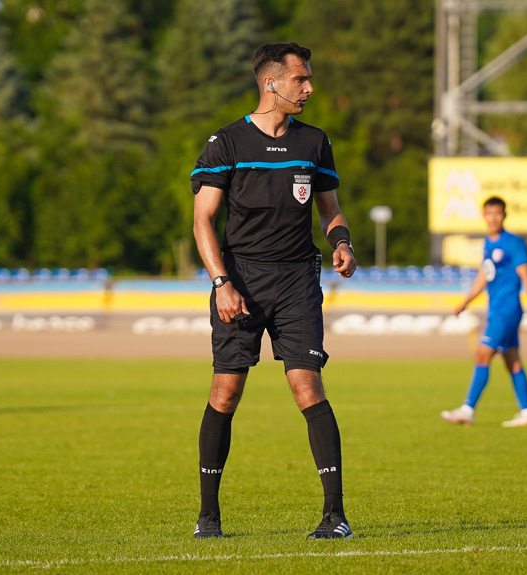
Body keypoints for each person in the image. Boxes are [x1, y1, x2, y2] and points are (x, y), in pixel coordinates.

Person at [189, 43, 356, 540]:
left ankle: (335, 517)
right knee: (226, 390)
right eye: (301, 79)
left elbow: (330, 209)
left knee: (308, 385)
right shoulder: (228, 142)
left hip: (299, 280)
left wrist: (342, 241)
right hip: (240, 279)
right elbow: (202, 220)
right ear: (271, 83)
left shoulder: (314, 142)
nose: (309, 87)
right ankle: (209, 516)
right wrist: (221, 283)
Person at [441, 196, 527, 427]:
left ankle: (467, 410)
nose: (493, 218)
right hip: (496, 310)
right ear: (484, 216)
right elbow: (484, 274)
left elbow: (526, 277)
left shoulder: (513, 243)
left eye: (497, 213)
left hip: (507, 311)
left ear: (504, 215)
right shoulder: (488, 243)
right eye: (489, 213)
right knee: (513, 362)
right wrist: (466, 300)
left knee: (482, 354)